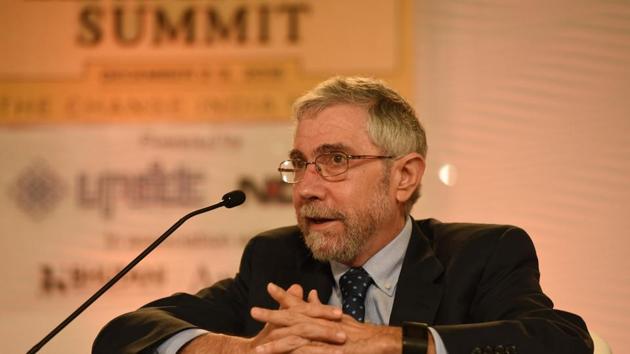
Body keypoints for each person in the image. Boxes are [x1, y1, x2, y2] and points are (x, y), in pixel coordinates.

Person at [93, 77, 592, 354]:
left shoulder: (483, 255)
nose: (307, 188)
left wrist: (390, 342)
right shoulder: (275, 259)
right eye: (300, 164)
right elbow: (126, 333)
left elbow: (563, 342)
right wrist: (236, 352)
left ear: (404, 177)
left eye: (336, 161)